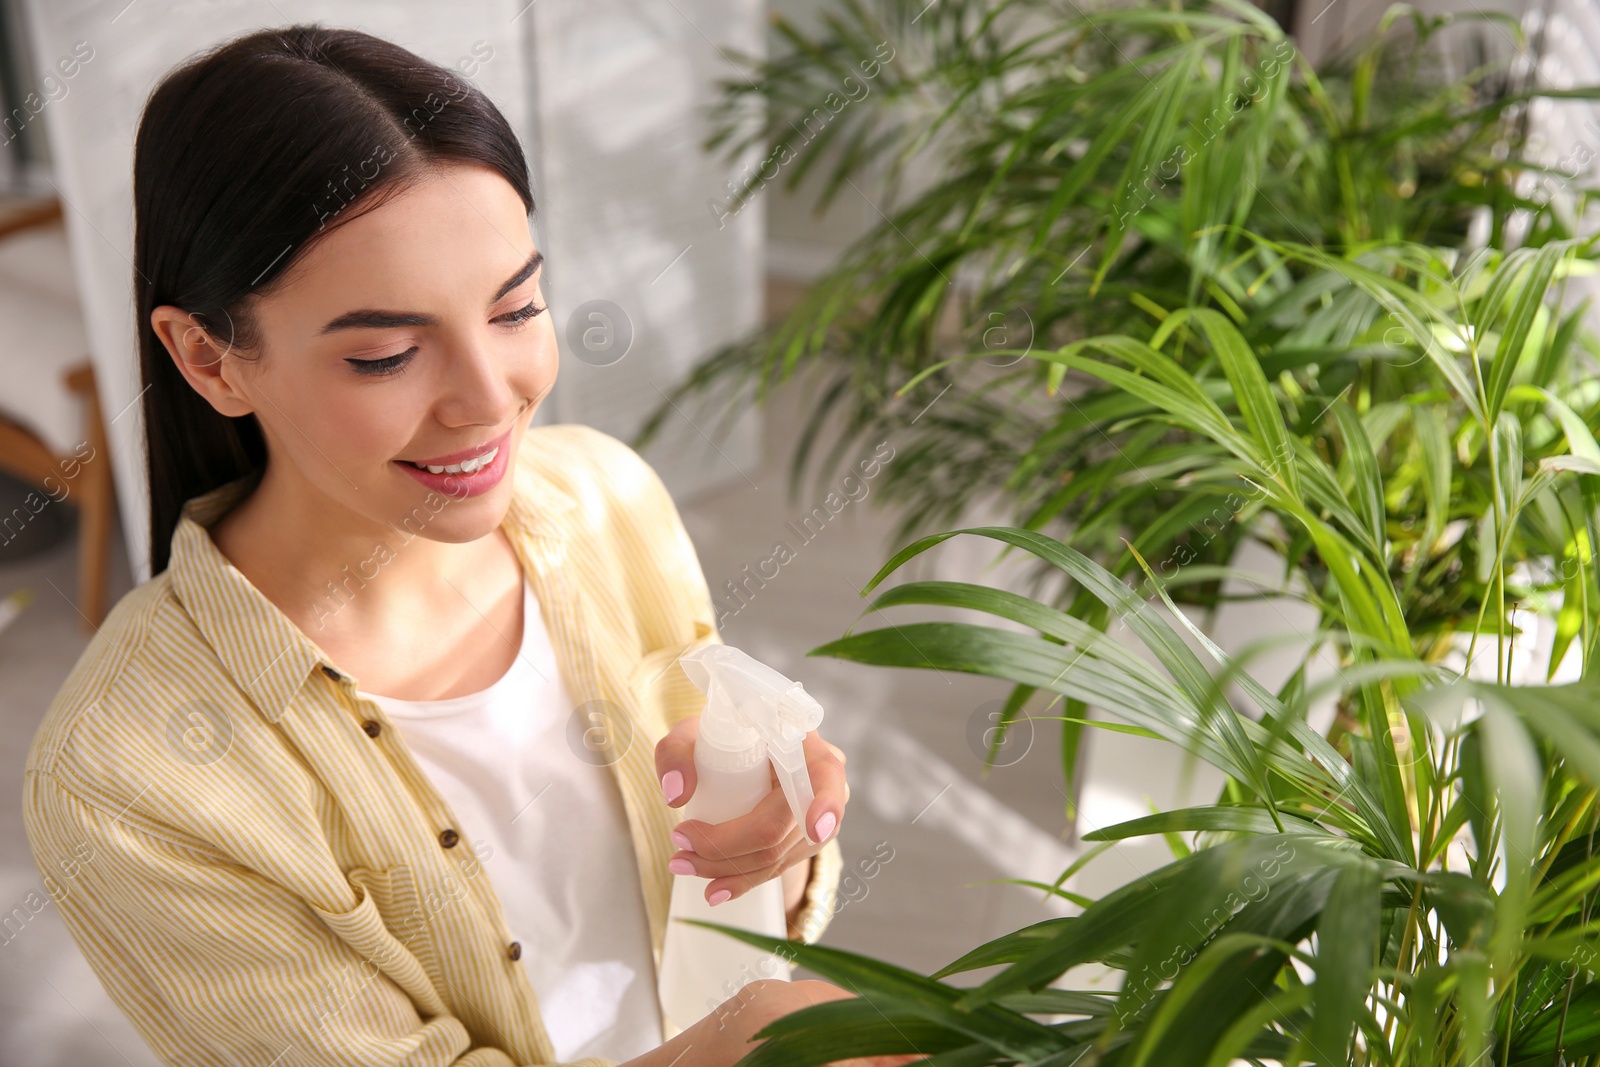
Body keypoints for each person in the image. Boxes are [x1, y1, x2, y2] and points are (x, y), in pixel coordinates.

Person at [21, 23, 917, 1067]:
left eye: (516, 308)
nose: (491, 402)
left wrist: (772, 833)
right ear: (210, 358)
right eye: (387, 353)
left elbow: (731, 925)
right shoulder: (128, 774)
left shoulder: (603, 496)